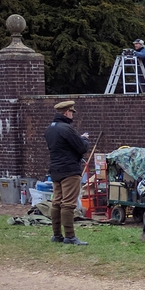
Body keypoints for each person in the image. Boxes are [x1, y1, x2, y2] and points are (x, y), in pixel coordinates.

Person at [44, 100, 90, 246]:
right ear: (66, 112)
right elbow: (81, 148)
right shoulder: (67, 129)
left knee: (56, 202)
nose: (72, 115)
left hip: (55, 169)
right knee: (68, 204)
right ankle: (70, 236)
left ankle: (57, 234)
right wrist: (84, 139)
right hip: (69, 170)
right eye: (71, 112)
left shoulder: (49, 129)